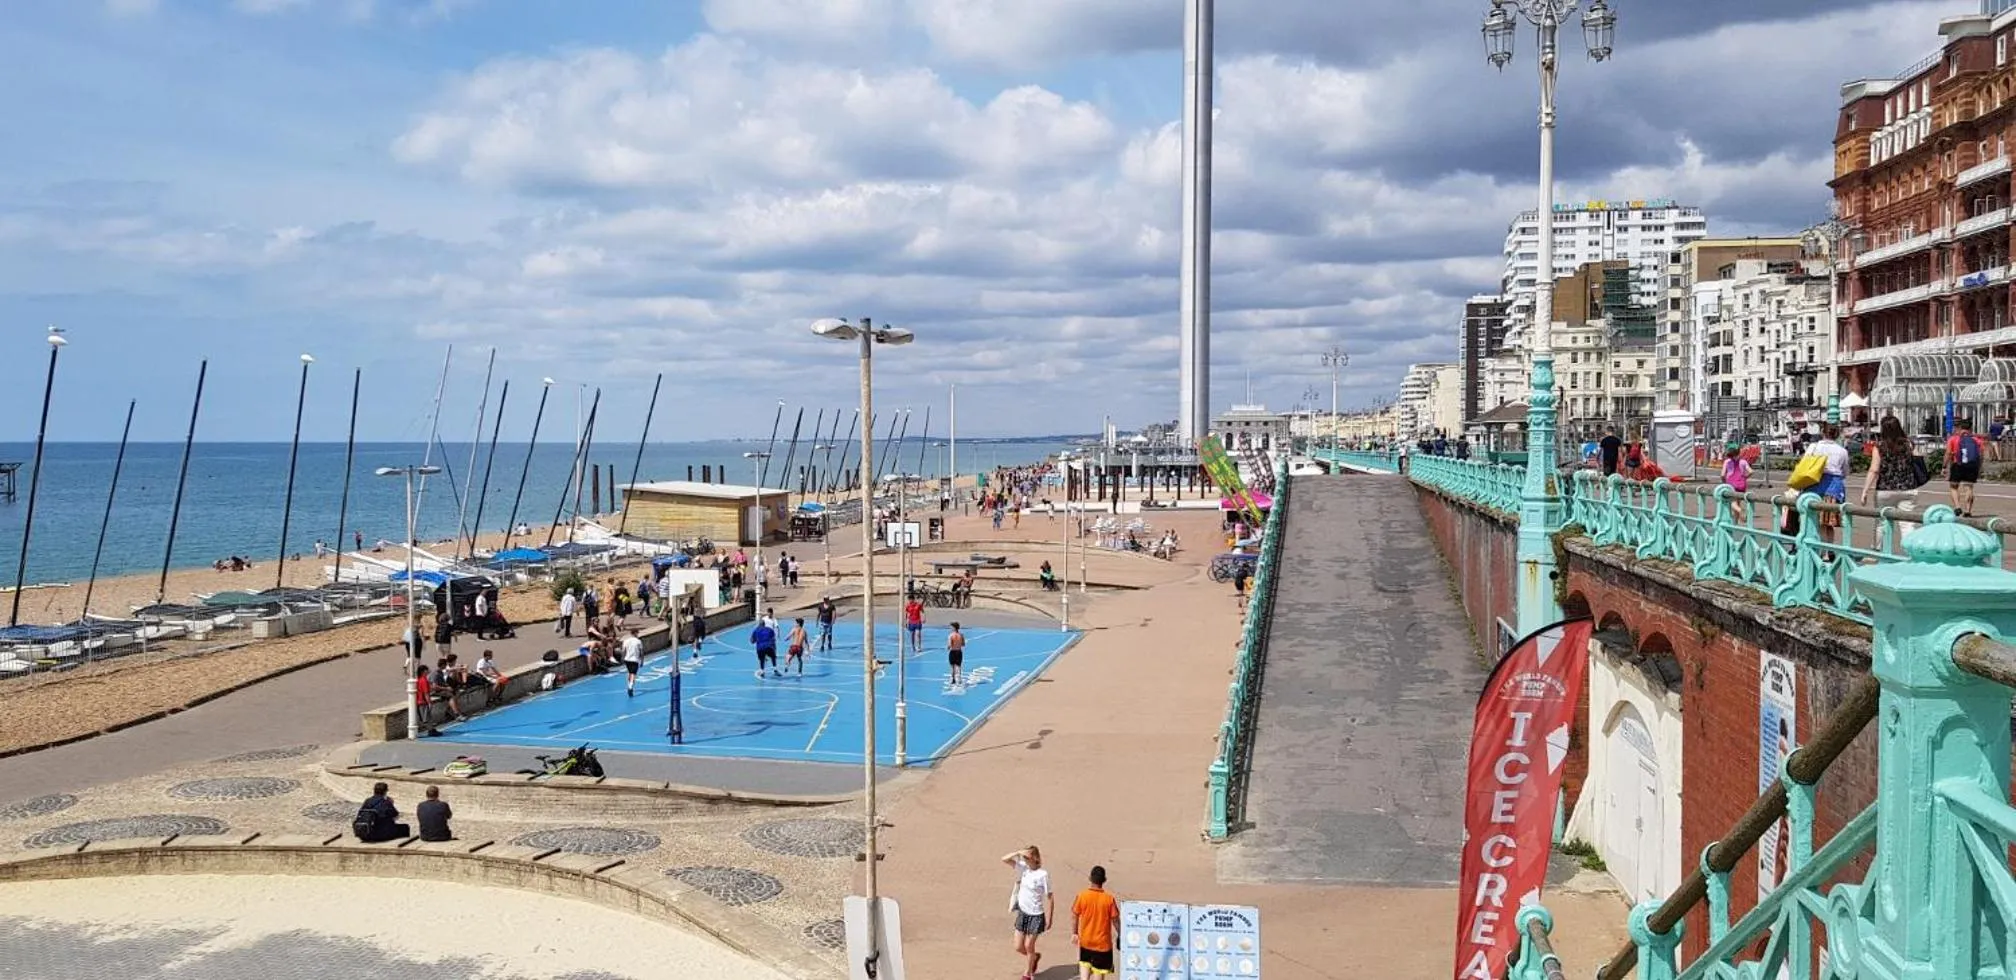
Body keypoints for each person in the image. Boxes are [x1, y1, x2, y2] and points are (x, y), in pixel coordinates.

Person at [1002, 845, 1053, 980]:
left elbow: (1050, 897)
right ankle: (1034, 957)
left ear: (1035, 858)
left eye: (1028, 857)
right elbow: (1004, 859)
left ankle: (1028, 973)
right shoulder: (1023, 868)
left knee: (1028, 945)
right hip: (1023, 913)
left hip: (1036, 915)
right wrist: (1018, 852)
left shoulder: (1043, 874)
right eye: (1024, 857)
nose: (1025, 859)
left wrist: (1050, 918)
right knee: (1018, 946)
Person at [1860, 415, 1923, 513]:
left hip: (1885, 488)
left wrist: (1865, 491)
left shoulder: (1879, 447)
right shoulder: (1909, 444)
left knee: (1883, 524)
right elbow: (1919, 460)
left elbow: (1874, 470)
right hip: (1908, 488)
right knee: (1908, 524)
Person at [1070, 865, 1120, 980]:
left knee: (1084, 971)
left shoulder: (1082, 896)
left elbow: (1074, 914)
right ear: (1104, 880)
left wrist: (1075, 932)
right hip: (1102, 945)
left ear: (1090, 878)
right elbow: (1115, 920)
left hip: (1085, 942)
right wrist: (1121, 934)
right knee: (1098, 974)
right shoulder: (1109, 899)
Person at [1809, 423, 1852, 545]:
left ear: (1823, 432)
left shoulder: (1814, 447)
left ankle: (1822, 551)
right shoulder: (1842, 451)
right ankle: (1830, 548)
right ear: (1837, 435)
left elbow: (1805, 464)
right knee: (1829, 522)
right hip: (1834, 488)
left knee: (1819, 521)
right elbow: (1845, 472)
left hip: (1815, 486)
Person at [1948, 418, 1984, 517]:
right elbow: (1980, 456)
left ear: (1960, 428)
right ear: (1971, 428)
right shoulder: (1977, 440)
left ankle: (1957, 506)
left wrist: (1944, 466)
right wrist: (1979, 467)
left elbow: (1947, 454)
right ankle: (1968, 511)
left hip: (1957, 465)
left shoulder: (1954, 439)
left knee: (1954, 487)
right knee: (1969, 487)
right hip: (1972, 466)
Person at [1720, 444, 1753, 522]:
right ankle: (1735, 523)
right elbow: (1751, 471)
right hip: (1741, 485)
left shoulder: (1727, 462)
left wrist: (1724, 482)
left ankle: (1741, 511)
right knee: (1737, 502)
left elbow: (1722, 475)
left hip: (1731, 485)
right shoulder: (1743, 462)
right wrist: (1745, 477)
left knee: (1732, 504)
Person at [621, 627, 644, 697]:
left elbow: (623, 651)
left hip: (627, 659)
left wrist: (622, 658)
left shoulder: (626, 641)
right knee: (633, 674)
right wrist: (642, 661)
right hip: (634, 660)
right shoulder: (638, 641)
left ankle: (629, 685)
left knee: (629, 672)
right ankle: (630, 687)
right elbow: (642, 652)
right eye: (637, 633)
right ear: (635, 633)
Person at [947, 621, 966, 688]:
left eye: (951, 627)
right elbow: (963, 644)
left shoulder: (951, 635)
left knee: (952, 667)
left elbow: (949, 645)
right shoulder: (961, 635)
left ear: (954, 628)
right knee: (958, 666)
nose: (950, 628)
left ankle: (953, 679)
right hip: (959, 651)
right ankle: (959, 679)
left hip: (953, 651)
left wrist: (947, 647)